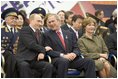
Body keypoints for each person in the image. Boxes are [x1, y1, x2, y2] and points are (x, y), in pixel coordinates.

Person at [44, 14, 96, 78]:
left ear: (59, 21)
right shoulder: (46, 35)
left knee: (89, 61)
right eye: (49, 22)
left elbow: (76, 48)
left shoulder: (69, 33)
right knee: (63, 61)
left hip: (71, 59)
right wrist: (63, 55)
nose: (51, 23)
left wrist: (74, 53)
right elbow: (49, 51)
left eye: (53, 21)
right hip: (58, 59)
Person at [16, 13, 53, 78]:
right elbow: (31, 44)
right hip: (24, 59)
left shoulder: (40, 33)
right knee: (24, 66)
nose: (40, 24)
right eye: (38, 21)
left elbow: (43, 45)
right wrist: (44, 49)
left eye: (41, 22)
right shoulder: (25, 30)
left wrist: (42, 52)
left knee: (48, 66)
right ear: (31, 21)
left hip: (35, 60)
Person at [1, 7, 19, 77]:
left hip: (18, 53)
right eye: (12, 18)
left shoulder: (20, 31)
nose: (14, 20)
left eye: (16, 18)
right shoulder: (1, 30)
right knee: (11, 57)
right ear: (6, 19)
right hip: (4, 54)